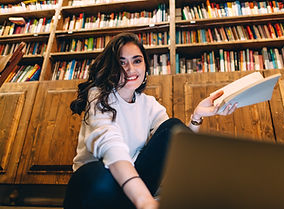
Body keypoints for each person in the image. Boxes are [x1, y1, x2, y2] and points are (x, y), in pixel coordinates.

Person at [63, 32, 237, 209]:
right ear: (112, 68)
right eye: (122, 62)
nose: (130, 68)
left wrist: (197, 117)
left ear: (145, 65)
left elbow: (177, 148)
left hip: (129, 194)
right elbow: (110, 146)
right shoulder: (98, 96)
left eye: (137, 61)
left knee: (172, 127)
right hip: (94, 190)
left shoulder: (149, 104)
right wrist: (144, 199)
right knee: (99, 173)